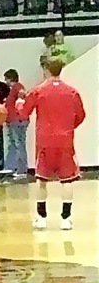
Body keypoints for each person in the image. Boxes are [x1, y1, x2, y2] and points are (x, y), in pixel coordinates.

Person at [14, 56, 86, 230]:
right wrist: (68, 128)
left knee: (42, 180)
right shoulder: (72, 92)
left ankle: (41, 218)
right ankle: (66, 219)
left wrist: (19, 103)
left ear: (45, 69)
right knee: (67, 180)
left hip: (45, 141)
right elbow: (81, 115)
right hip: (65, 141)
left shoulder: (38, 91)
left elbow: (24, 113)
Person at [2, 69, 28, 179]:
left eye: (6, 79)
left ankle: (21, 170)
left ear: (10, 79)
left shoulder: (17, 87)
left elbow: (22, 97)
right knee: (14, 144)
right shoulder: (14, 89)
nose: (6, 81)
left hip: (17, 121)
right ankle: (11, 167)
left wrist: (19, 114)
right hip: (14, 121)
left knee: (18, 144)